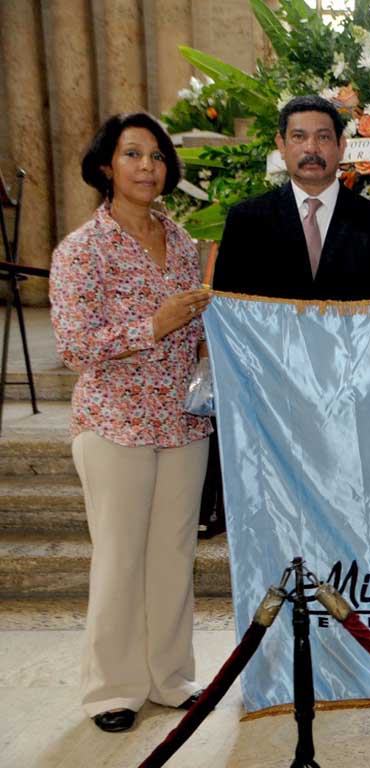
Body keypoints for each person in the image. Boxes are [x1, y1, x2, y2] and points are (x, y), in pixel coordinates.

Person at [50, 113, 213, 733]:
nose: (148, 166)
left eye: (157, 156)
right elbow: (73, 346)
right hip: (114, 422)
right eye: (133, 154)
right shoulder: (81, 249)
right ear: (105, 167)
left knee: (173, 555)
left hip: (182, 422)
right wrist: (154, 325)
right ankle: (112, 690)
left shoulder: (183, 242)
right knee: (119, 559)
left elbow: (195, 328)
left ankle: (170, 678)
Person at [213, 94, 370, 300]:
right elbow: (228, 307)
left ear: (341, 146)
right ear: (281, 145)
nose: (311, 148)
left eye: (323, 137)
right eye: (298, 137)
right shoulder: (247, 221)